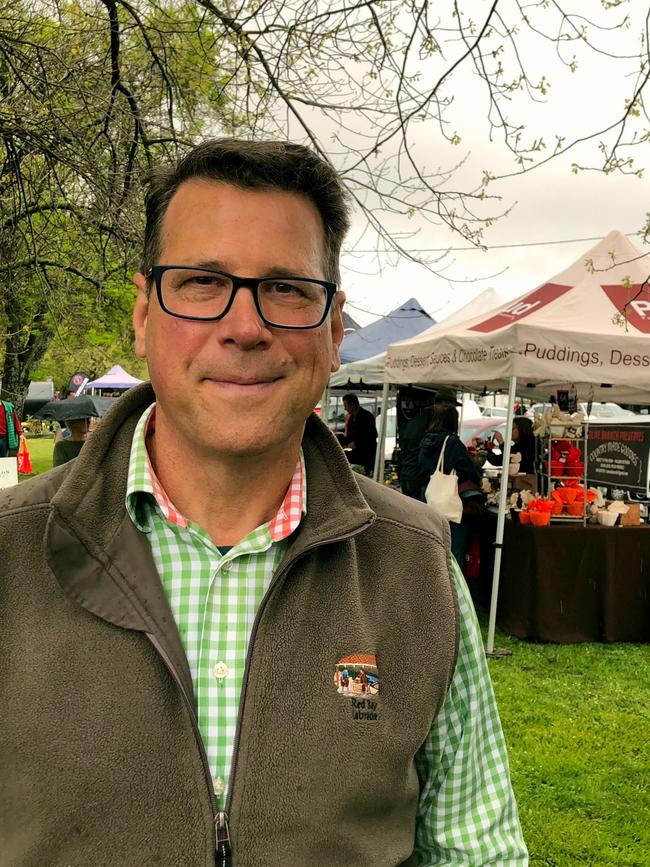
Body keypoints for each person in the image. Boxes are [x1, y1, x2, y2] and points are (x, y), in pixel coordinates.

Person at [0, 138, 527, 865]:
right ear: (145, 315)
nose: (245, 327)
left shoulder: (416, 568)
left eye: (286, 289)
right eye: (202, 281)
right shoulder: (9, 554)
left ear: (335, 328)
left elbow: (477, 851)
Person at [419, 404, 483, 566]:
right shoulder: (452, 442)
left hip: (429, 498)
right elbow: (469, 470)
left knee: (433, 550)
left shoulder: (425, 441)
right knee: (453, 554)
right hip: (449, 503)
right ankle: (452, 590)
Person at [399, 386, 461, 498]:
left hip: (406, 474)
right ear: (444, 404)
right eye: (451, 407)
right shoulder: (434, 420)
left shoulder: (417, 419)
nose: (452, 412)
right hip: (418, 476)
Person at [338, 392, 377, 475]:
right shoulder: (351, 419)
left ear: (353, 404)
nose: (345, 408)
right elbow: (349, 437)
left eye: (346, 405)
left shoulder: (367, 416)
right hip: (356, 453)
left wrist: (357, 443)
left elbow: (372, 435)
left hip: (367, 454)